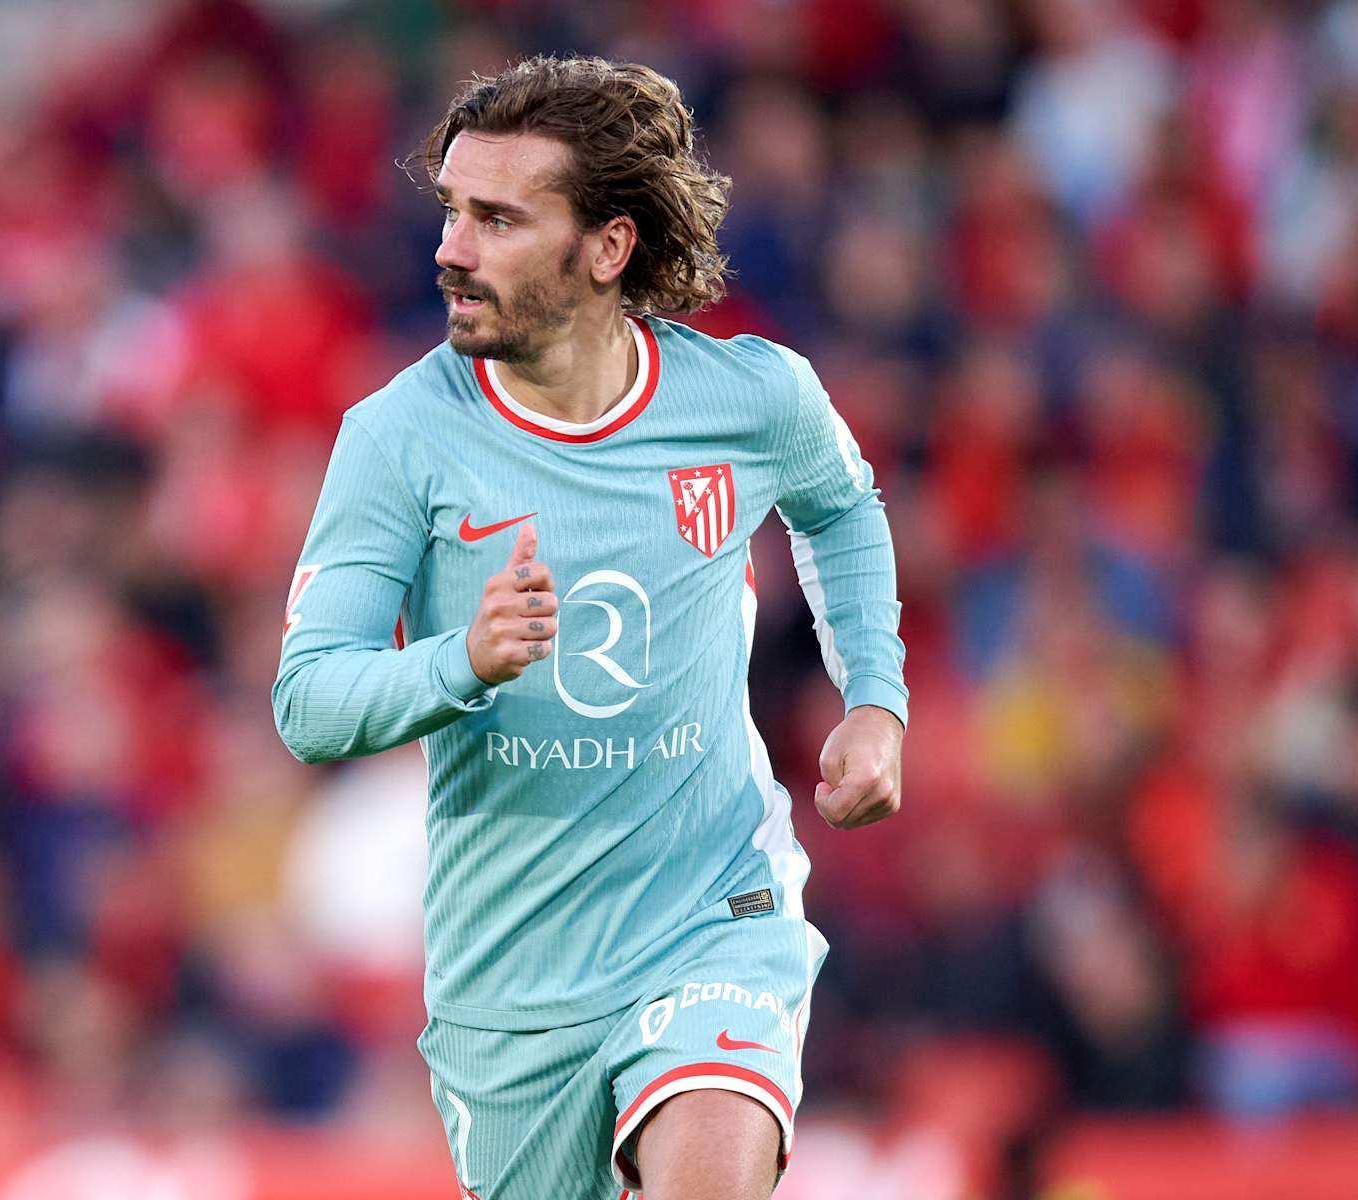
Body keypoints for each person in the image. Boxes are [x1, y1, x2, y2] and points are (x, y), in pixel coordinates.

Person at [272, 55, 907, 1200]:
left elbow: (842, 509)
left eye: (499, 219)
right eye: (454, 212)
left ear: (607, 248)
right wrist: (461, 661)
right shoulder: (397, 437)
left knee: (708, 1166)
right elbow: (309, 702)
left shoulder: (751, 398)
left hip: (713, 910)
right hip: (511, 976)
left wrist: (874, 697)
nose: (450, 249)